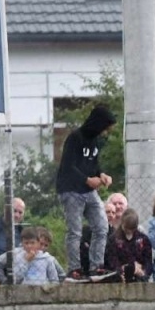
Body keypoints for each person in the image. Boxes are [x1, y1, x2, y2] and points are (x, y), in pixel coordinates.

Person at [55, 103, 116, 279]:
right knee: (75, 230)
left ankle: (96, 266)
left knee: (101, 227)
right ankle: (75, 268)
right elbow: (68, 165)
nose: (106, 132)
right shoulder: (75, 138)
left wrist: (101, 175)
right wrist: (87, 180)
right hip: (71, 190)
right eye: (106, 128)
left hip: (88, 191)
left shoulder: (95, 140)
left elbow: (93, 164)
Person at [105, 208, 153, 282]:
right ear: (122, 223)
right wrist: (120, 270)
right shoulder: (113, 239)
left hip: (139, 278)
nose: (129, 232)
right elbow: (111, 259)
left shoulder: (143, 239)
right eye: (127, 229)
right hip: (120, 278)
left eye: (132, 229)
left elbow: (148, 260)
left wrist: (144, 271)